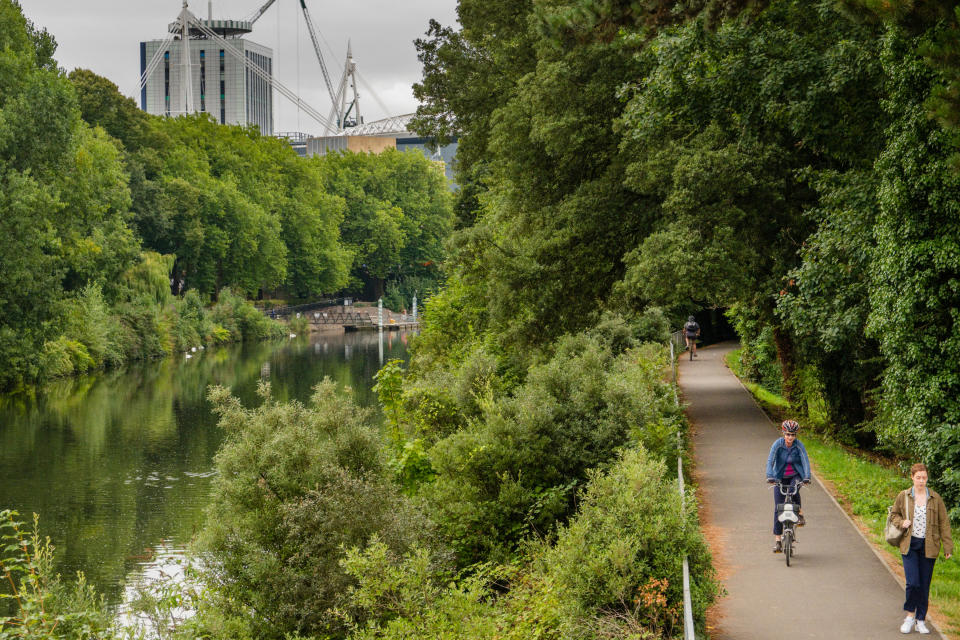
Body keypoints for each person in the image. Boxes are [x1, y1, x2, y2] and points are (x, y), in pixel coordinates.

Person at [890, 463, 952, 635]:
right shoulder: (904, 496)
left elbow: (944, 523)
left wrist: (948, 546)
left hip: (929, 546)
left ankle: (921, 620)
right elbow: (894, 514)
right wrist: (901, 522)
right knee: (913, 583)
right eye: (918, 477)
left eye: (924, 477)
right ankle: (910, 616)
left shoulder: (935, 498)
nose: (921, 481)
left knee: (924, 585)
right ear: (912, 477)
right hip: (910, 545)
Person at [765, 419, 811, 552]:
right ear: (783, 433)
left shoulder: (798, 446)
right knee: (778, 508)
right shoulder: (777, 445)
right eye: (788, 434)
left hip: (795, 475)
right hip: (779, 477)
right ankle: (778, 541)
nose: (790, 437)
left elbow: (805, 460)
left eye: (793, 435)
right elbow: (770, 459)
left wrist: (807, 477)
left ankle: (800, 513)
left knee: (793, 490)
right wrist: (770, 476)